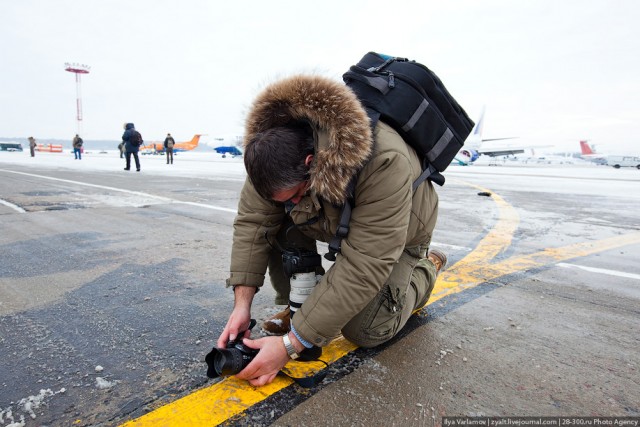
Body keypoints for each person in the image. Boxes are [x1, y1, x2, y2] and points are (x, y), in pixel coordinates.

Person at [217, 75, 447, 387]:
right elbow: (254, 224)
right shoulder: (270, 156)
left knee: (365, 329)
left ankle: (425, 268)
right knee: (277, 223)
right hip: (335, 215)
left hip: (402, 231)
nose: (292, 204)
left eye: (296, 194)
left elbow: (365, 263)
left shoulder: (383, 160)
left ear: (311, 163)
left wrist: (289, 347)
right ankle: (303, 304)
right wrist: (241, 306)